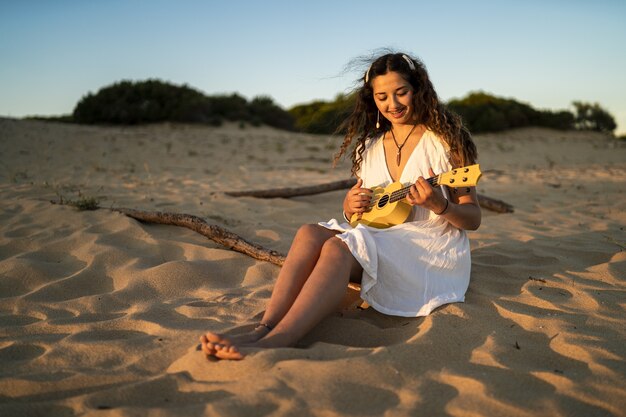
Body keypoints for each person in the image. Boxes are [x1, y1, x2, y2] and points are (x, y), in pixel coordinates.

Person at [200, 52, 481, 360]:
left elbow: (472, 218)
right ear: (371, 98)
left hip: (429, 250)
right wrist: (350, 206)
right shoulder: (371, 146)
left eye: (402, 92)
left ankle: (278, 341)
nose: (393, 104)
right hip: (382, 241)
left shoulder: (446, 141)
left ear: (418, 89)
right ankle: (264, 328)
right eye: (382, 96)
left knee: (338, 249)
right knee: (309, 232)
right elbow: (364, 216)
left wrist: (440, 205)